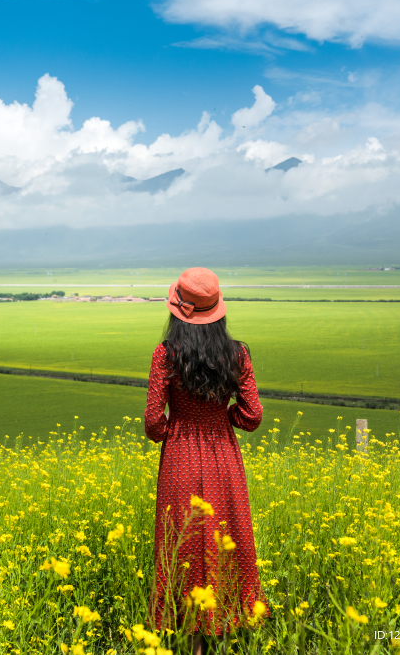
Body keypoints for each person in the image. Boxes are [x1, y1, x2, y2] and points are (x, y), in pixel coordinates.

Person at [144, 267, 268, 654]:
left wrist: (175, 429)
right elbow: (253, 415)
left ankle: (191, 639)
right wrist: (221, 419)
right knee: (226, 539)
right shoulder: (238, 353)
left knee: (183, 542)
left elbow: (152, 421)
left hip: (180, 457)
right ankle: (224, 629)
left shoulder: (165, 354)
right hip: (222, 458)